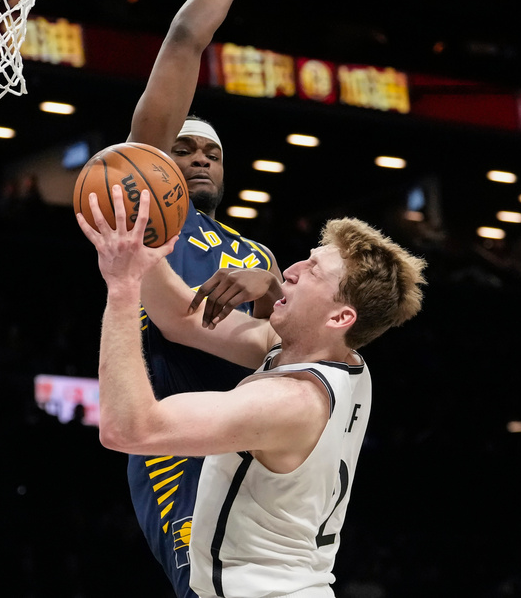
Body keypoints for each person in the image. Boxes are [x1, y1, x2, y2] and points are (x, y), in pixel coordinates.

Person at [76, 186, 427, 597]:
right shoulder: (341, 363)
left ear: (341, 316)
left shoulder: (291, 403)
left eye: (312, 270)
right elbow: (179, 318)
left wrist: (121, 287)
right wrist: (144, 251)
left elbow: (128, 428)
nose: (290, 270)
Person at [118, 0, 294, 596]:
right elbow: (185, 41)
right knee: (202, 583)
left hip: (251, 429)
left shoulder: (257, 252)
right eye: (185, 147)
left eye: (211, 153)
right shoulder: (151, 206)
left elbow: (291, 341)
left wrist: (271, 281)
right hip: (174, 419)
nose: (197, 158)